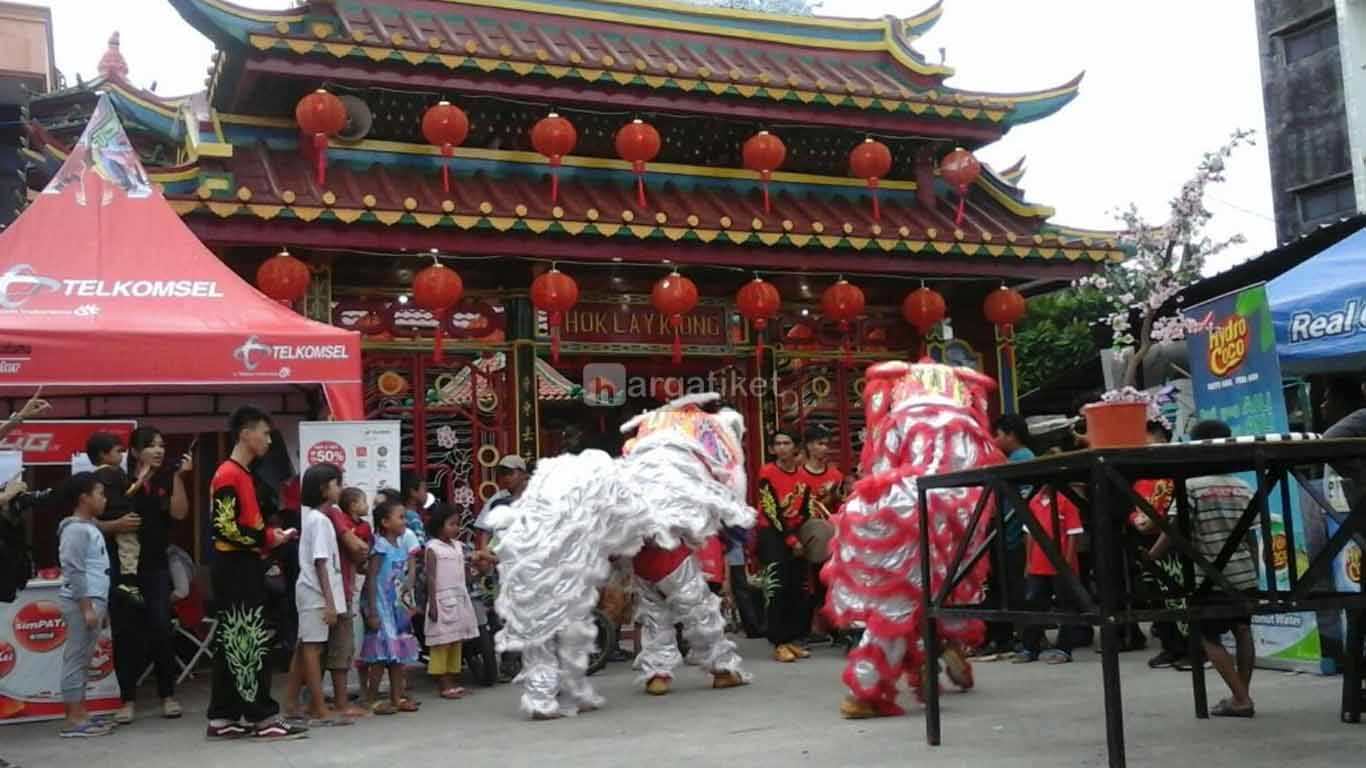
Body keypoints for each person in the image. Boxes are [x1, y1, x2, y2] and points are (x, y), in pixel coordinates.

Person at [205, 406, 305, 741]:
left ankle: (223, 716)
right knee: (249, 641)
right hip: (236, 566)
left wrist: (266, 538)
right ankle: (263, 717)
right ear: (246, 434)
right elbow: (224, 527)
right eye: (264, 432)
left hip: (240, 564)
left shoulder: (240, 473)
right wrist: (266, 538)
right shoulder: (229, 474)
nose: (267, 439)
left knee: (232, 641)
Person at [1147, 419, 1259, 717]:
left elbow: (1174, 530)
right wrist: (1255, 573)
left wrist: (1151, 556)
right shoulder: (1243, 486)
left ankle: (1241, 699)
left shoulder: (1191, 487)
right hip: (1244, 574)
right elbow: (1253, 537)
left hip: (1209, 578)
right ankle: (1241, 694)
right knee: (1243, 629)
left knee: (1208, 636)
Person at [109, 427, 193, 723]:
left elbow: (180, 514)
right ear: (134, 451)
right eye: (151, 446)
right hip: (125, 568)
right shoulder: (119, 480)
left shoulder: (166, 479)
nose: (159, 451)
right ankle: (127, 700)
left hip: (157, 566)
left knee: (160, 628)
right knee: (126, 633)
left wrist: (180, 478)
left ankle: (168, 696)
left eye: (162, 445)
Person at [284, 463, 351, 728]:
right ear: (325, 489)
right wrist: (330, 604)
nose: (340, 489)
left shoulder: (315, 518)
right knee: (313, 650)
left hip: (314, 593)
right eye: (337, 484)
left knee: (304, 648)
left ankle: (292, 702)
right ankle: (320, 708)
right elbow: (321, 563)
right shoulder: (320, 521)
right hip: (315, 594)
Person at [57, 472, 112, 738]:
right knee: (76, 659)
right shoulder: (75, 530)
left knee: (84, 659)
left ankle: (81, 713)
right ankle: (73, 720)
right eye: (100, 493)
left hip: (94, 600)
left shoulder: (89, 527)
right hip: (82, 603)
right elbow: (75, 571)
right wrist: (87, 608)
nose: (104, 499)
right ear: (84, 498)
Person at [980, 414, 1036, 657]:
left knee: (1013, 589)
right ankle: (1010, 637)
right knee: (1006, 588)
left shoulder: (1020, 460)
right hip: (1007, 535)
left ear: (1011, 434)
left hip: (1013, 536)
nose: (995, 440)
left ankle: (1023, 638)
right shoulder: (1014, 458)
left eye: (998, 434)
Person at [361, 499, 421, 714]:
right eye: (400, 517)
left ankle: (397, 697)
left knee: (397, 655)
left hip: (396, 606)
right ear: (385, 522)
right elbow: (371, 577)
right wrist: (373, 611)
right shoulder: (380, 546)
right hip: (381, 604)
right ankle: (371, 698)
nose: (404, 521)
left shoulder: (400, 545)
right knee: (381, 654)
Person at [1015, 485, 1087, 664]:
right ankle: (1030, 648)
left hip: (1060, 565)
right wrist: (1028, 562)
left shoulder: (1066, 501)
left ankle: (1064, 649)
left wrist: (1067, 564)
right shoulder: (1034, 502)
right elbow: (1029, 535)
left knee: (1066, 606)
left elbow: (1073, 535)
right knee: (1034, 604)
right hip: (1038, 565)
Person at [325, 486, 371, 717]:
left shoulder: (362, 526)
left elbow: (364, 554)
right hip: (338, 589)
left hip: (349, 587)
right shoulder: (335, 516)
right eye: (336, 483)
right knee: (340, 647)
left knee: (343, 646)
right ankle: (340, 703)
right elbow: (359, 549)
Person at [425, 504, 479, 699]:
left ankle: (453, 680)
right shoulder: (432, 548)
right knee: (442, 642)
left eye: (458, 524)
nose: (456, 528)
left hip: (459, 596)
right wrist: (433, 604)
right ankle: (443, 683)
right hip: (442, 599)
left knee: (456, 641)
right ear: (439, 526)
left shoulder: (458, 546)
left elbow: (464, 568)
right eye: (451, 524)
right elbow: (431, 577)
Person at [86, 432, 140, 606]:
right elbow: (131, 490)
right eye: (118, 451)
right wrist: (145, 475)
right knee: (130, 550)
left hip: (109, 527)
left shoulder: (93, 477)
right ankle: (129, 582)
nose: (122, 455)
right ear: (103, 454)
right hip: (121, 518)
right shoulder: (114, 473)